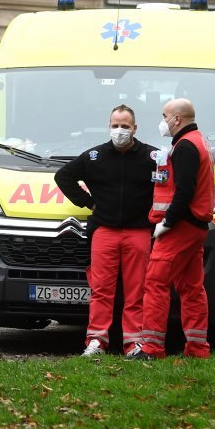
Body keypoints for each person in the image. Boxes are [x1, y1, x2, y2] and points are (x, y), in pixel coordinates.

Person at [54, 105, 158, 357]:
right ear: (108, 126)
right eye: (115, 125)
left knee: (136, 291)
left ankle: (133, 343)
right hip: (104, 231)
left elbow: (169, 185)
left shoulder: (152, 156)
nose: (120, 130)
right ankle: (97, 341)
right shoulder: (95, 156)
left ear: (135, 128)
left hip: (139, 232)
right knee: (101, 290)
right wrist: (88, 202)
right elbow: (63, 176)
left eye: (125, 126)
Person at [128, 98, 214, 360]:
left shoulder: (186, 145)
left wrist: (167, 223)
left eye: (165, 116)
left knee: (155, 282)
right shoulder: (197, 141)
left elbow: (184, 190)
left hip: (181, 226)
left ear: (177, 119)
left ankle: (152, 348)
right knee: (192, 287)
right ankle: (198, 348)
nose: (163, 121)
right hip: (195, 226)